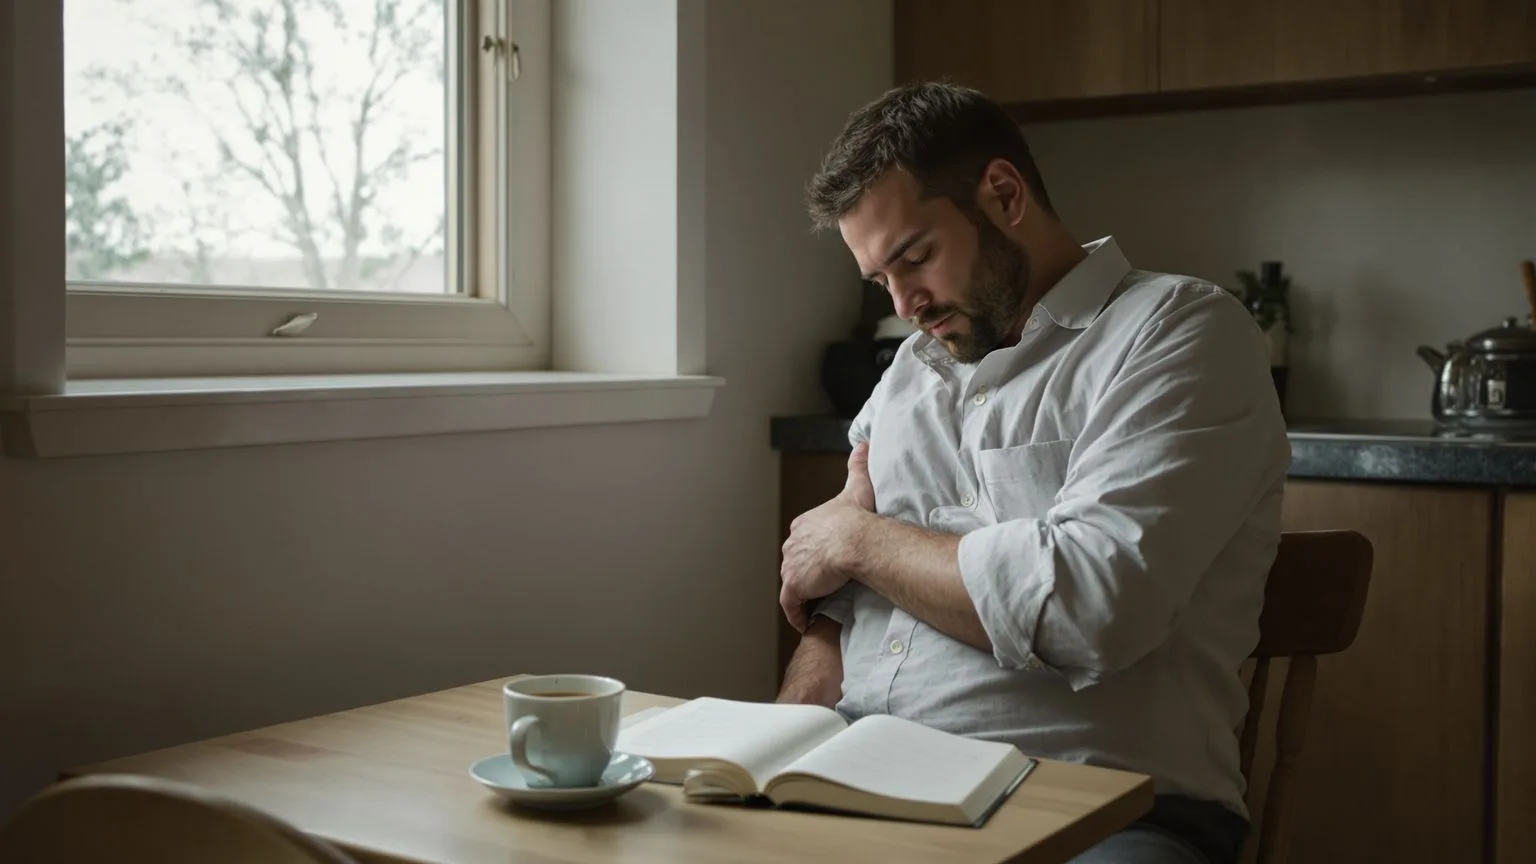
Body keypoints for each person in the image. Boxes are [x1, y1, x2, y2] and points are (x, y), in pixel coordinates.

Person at [777, 82, 1290, 864]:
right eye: (880, 280)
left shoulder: (1178, 334)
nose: (905, 302)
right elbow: (835, 616)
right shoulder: (906, 378)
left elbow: (1091, 606)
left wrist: (859, 541)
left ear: (1004, 194)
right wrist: (768, 759)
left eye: (915, 258)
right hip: (871, 780)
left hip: (1104, 808)